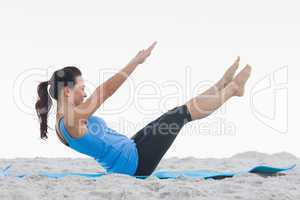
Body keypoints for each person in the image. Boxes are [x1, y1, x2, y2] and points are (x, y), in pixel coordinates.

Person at [35, 41, 252, 176]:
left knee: (177, 112)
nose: (84, 93)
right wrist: (135, 62)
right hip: (135, 164)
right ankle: (232, 90)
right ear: (66, 91)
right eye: (82, 88)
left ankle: (222, 85)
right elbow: (104, 92)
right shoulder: (70, 121)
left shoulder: (68, 119)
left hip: (132, 148)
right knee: (182, 114)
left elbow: (99, 94)